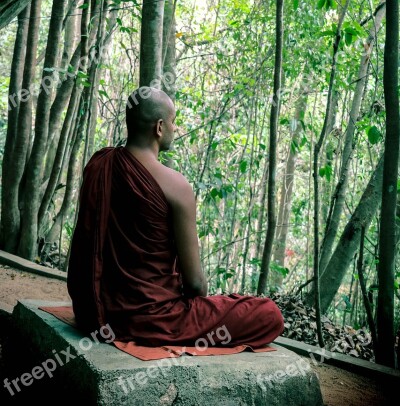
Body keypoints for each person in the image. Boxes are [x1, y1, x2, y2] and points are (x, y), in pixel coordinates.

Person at [67, 86, 284, 348]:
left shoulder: (99, 164)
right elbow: (194, 284)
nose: (175, 128)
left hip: (95, 313)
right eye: (173, 122)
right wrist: (199, 303)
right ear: (159, 127)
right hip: (152, 320)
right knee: (268, 313)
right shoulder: (176, 185)